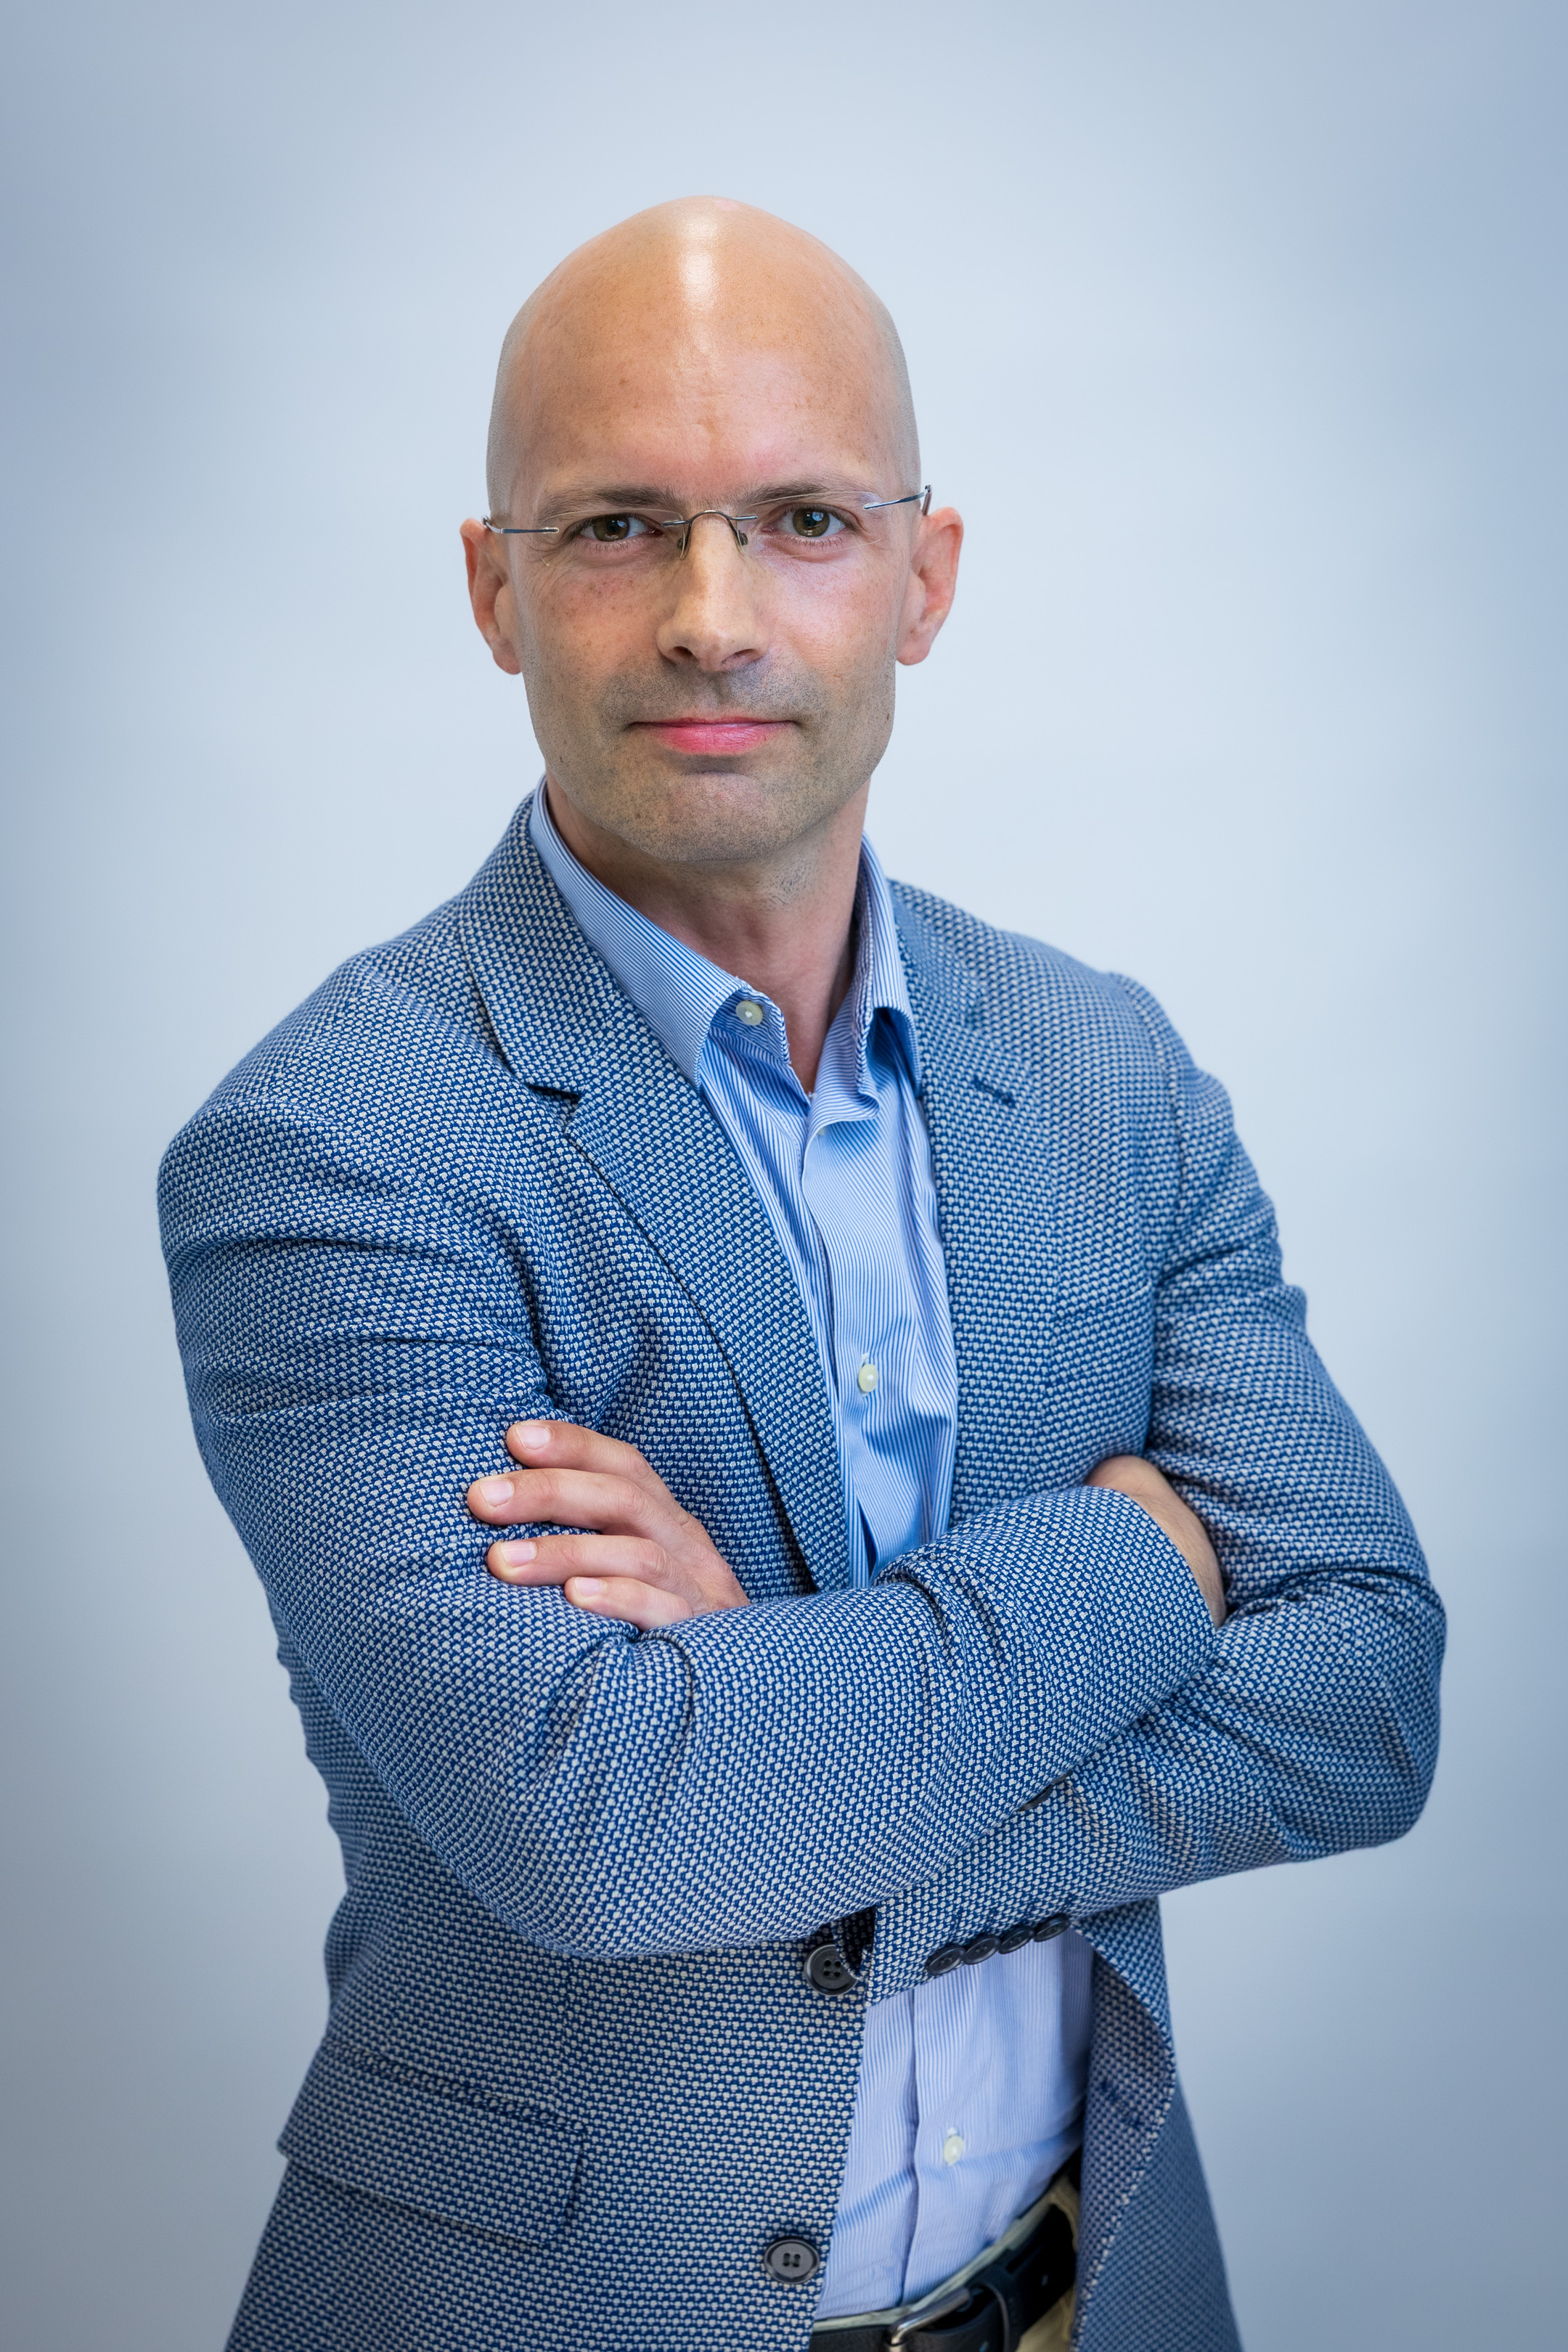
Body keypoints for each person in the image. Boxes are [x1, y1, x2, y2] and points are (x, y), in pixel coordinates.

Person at [159, 196, 1443, 2352]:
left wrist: (773, 1708)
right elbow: (605, 1831)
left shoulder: (1110, 1073)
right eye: (617, 528)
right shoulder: (332, 1146)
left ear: (924, 579)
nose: (711, 615)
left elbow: (1370, 1692)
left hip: (1094, 2294)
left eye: (805, 520)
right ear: (491, 589)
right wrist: (1147, 1559)